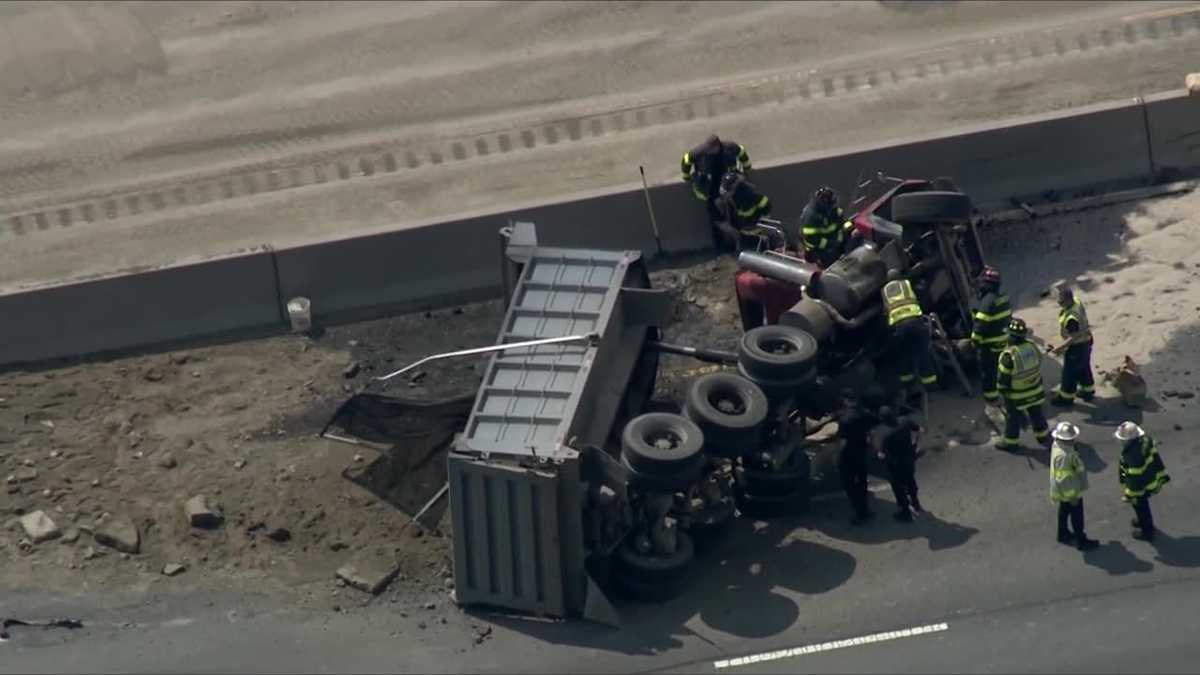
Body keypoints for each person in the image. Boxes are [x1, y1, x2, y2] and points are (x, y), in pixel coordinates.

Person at [995, 317, 1052, 451]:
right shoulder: (1032, 346)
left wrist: (1002, 393)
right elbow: (1038, 362)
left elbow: (1003, 378)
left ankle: (1010, 442)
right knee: (1037, 414)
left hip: (1017, 395)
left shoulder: (1008, 355)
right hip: (1036, 390)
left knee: (1012, 419)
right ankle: (1043, 436)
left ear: (1012, 336)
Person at [881, 270, 939, 396]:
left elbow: (885, 311)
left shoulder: (884, 291)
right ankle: (931, 384)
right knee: (923, 352)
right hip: (915, 323)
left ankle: (908, 385)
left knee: (904, 355)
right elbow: (919, 295)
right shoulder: (906, 284)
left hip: (899, 327)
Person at [1115, 422, 1170, 541]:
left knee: (1141, 507)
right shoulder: (1145, 441)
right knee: (1143, 506)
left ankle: (1147, 531)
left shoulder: (1132, 456)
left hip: (1139, 488)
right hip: (1148, 480)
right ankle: (1142, 521)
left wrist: (1130, 495)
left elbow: (1133, 479)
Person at [1048, 421, 1098, 551]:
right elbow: (1065, 478)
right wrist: (1073, 497)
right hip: (1071, 491)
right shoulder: (1066, 456)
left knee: (1064, 510)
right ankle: (1081, 541)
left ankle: (1063, 533)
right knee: (1077, 517)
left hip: (1062, 491)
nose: (1074, 440)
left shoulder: (1057, 446)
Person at [681, 134, 752, 224]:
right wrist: (686, 177)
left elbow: (741, 152)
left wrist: (747, 168)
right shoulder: (699, 152)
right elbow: (686, 161)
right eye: (708, 149)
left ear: (718, 146)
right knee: (715, 211)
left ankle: (735, 218)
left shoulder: (730, 147)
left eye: (712, 149)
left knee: (734, 204)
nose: (709, 151)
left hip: (728, 181)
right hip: (709, 185)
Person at [837, 387, 882, 526]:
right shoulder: (865, 414)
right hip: (862, 452)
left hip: (848, 455)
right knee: (862, 482)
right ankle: (865, 510)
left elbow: (843, 442)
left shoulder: (844, 420)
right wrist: (875, 447)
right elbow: (874, 429)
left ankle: (858, 513)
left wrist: (837, 457)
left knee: (849, 484)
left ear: (845, 400)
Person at [970, 266, 1012, 406]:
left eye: (983, 283)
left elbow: (980, 326)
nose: (981, 285)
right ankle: (1004, 390)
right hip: (1002, 341)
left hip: (989, 345)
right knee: (1000, 368)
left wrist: (974, 342)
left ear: (988, 284)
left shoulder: (987, 302)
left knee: (989, 372)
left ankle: (991, 398)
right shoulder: (1004, 298)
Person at [1050, 285, 1096, 407]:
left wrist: (1060, 348)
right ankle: (1088, 391)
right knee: (1084, 367)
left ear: (1068, 300)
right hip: (1087, 341)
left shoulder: (1072, 318)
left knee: (1069, 373)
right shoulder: (1076, 302)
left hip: (1077, 346)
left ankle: (1066, 398)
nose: (1059, 304)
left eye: (1061, 301)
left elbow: (1073, 337)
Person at [876, 406, 923, 522]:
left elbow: (881, 455)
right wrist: (915, 443)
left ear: (882, 419)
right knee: (910, 480)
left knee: (898, 488)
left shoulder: (885, 434)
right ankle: (915, 502)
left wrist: (879, 455)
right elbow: (919, 430)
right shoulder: (905, 421)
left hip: (896, 464)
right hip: (909, 458)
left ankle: (905, 512)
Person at [714, 170, 773, 252]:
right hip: (743, 231)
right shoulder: (732, 198)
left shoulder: (746, 195)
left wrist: (764, 220)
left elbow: (765, 202)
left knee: (758, 253)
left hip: (755, 231)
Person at [798, 186, 855, 268]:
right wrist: (831, 243)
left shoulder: (833, 210)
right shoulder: (811, 216)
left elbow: (842, 222)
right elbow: (811, 239)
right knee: (830, 262)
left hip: (834, 240)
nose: (834, 205)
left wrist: (851, 226)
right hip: (818, 249)